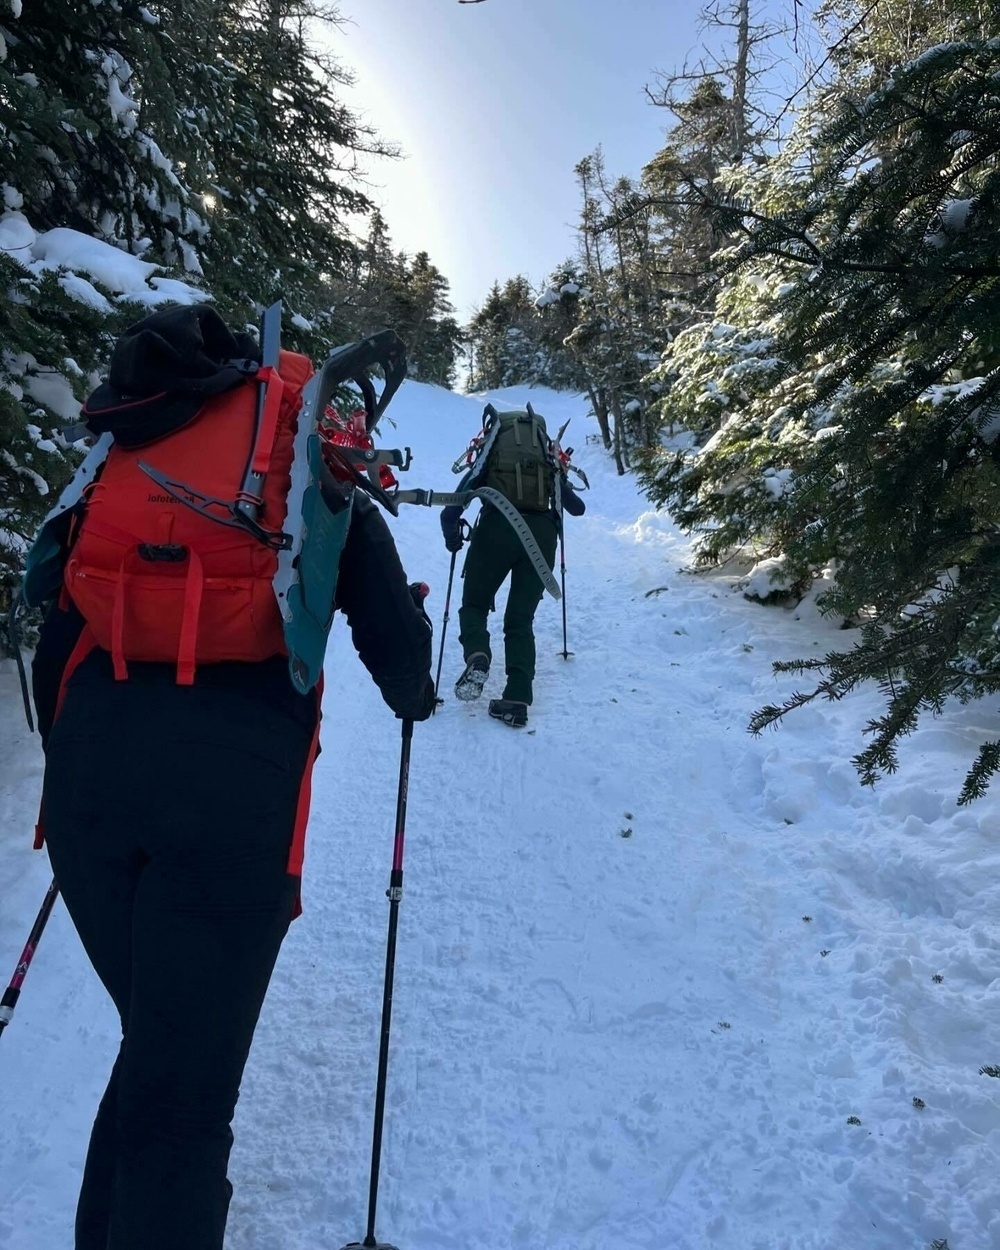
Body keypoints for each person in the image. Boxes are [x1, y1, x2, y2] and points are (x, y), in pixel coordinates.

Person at [28, 306, 436, 1250]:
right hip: (227, 817)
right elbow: (408, 682)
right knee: (179, 1094)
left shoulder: (123, 463)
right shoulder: (314, 481)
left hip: (91, 794)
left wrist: (81, 773)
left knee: (159, 1054)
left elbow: (57, 644)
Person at [440, 406, 585, 728]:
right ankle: (517, 699)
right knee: (520, 620)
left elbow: (450, 510)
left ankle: (478, 653)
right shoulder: (548, 462)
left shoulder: (489, 455)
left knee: (475, 605)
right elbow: (577, 508)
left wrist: (453, 538)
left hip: (497, 529)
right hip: (542, 538)